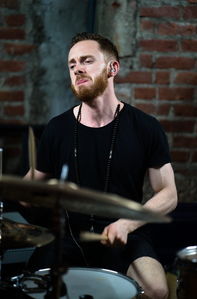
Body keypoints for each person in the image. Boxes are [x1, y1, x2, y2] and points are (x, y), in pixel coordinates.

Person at [25, 32, 177, 299]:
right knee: (30, 288)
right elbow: (28, 185)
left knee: (156, 290)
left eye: (86, 61)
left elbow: (168, 194)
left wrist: (127, 224)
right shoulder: (57, 128)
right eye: (72, 65)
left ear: (112, 68)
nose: (77, 69)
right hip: (69, 235)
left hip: (126, 234)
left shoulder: (145, 127)